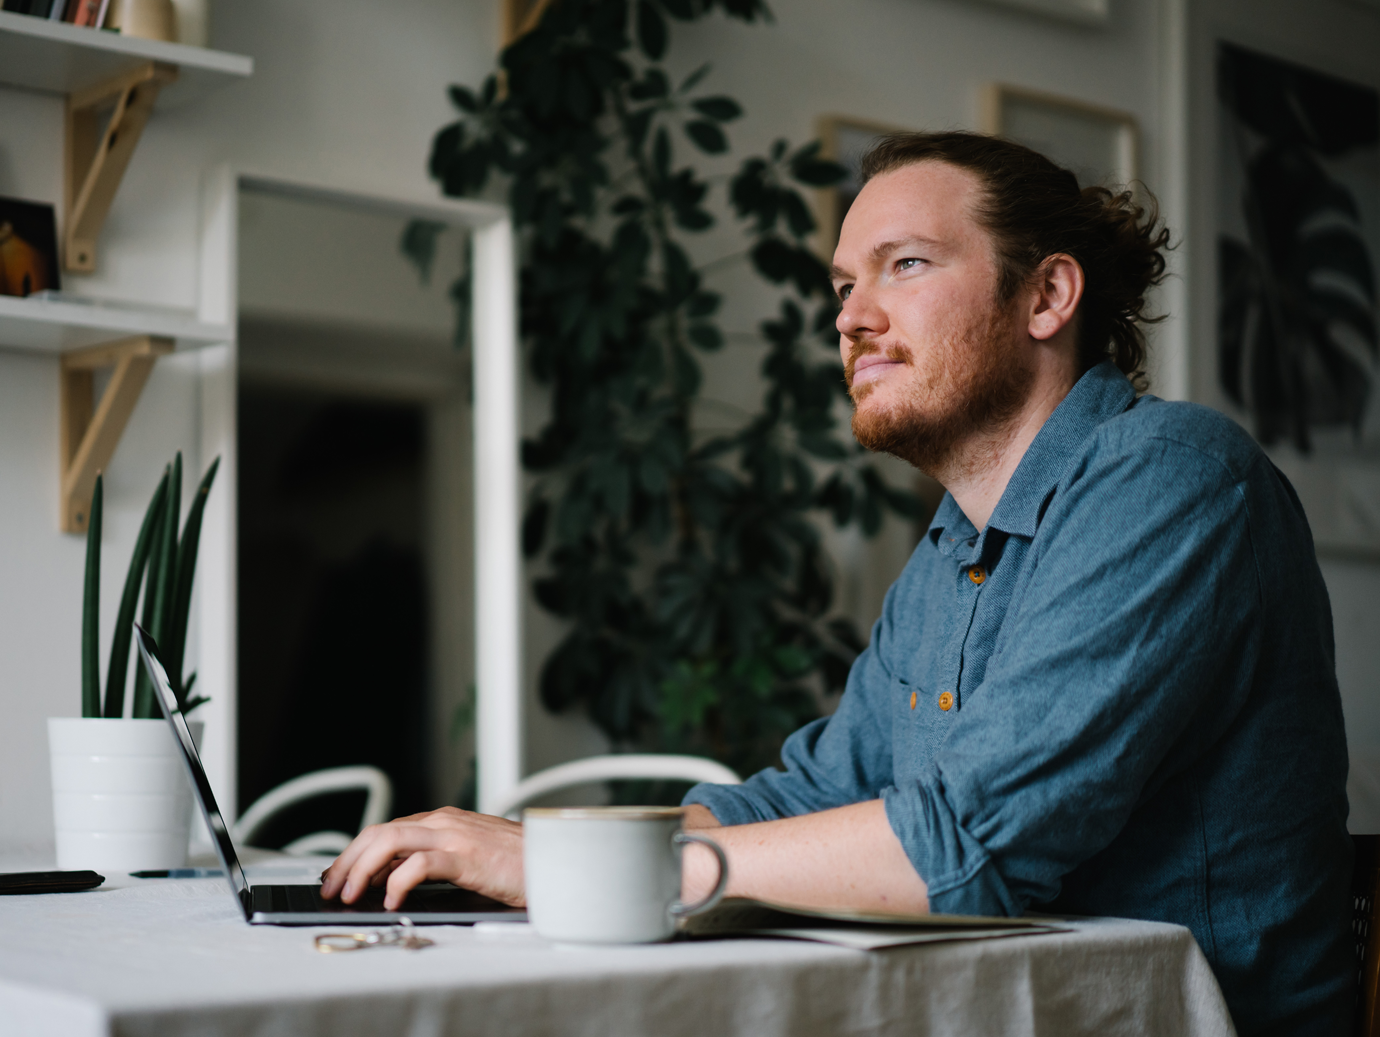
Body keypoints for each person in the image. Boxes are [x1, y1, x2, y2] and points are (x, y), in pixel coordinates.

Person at [321, 132, 1352, 1035]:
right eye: (841, 285)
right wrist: (531, 852)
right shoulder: (955, 547)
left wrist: (560, 870)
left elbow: (963, 847)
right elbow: (811, 793)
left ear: (1046, 294)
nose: (852, 318)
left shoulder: (1173, 476)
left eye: (903, 264)